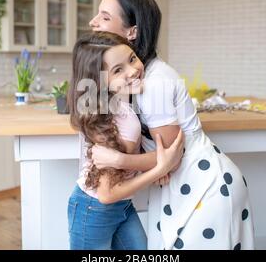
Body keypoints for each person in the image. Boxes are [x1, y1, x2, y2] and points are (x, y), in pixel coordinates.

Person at [89, 0, 255, 250]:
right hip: (186, 188)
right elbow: (162, 157)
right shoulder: (136, 77)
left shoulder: (154, 81)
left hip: (204, 189)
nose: (93, 22)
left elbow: (171, 158)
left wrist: (122, 159)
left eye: (105, 17)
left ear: (132, 32)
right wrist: (156, 164)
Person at [67, 31, 185, 250]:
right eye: (118, 70)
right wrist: (158, 169)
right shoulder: (107, 121)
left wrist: (156, 163)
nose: (133, 71)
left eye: (131, 58)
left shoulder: (121, 106)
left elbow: (128, 159)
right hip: (93, 210)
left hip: (121, 206)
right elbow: (107, 193)